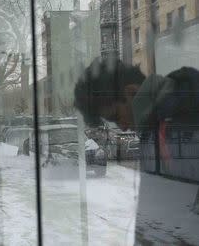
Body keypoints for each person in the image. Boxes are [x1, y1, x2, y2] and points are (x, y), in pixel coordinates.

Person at [74, 58, 199, 238]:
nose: (122, 127)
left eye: (116, 116)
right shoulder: (154, 129)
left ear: (132, 92)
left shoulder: (179, 122)